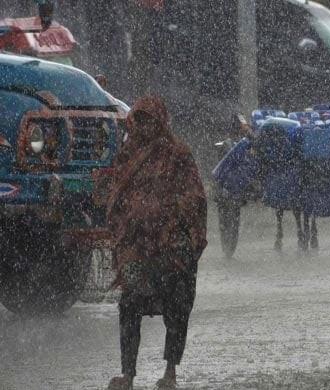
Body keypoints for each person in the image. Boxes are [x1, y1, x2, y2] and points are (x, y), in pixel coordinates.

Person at [105, 96, 208, 390]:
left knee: (176, 307)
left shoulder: (178, 153)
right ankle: (128, 373)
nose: (146, 127)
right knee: (129, 304)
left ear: (161, 122)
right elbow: (117, 194)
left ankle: (170, 371)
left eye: (151, 120)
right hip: (138, 248)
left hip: (172, 250)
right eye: (141, 120)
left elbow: (195, 197)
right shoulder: (128, 154)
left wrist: (171, 220)